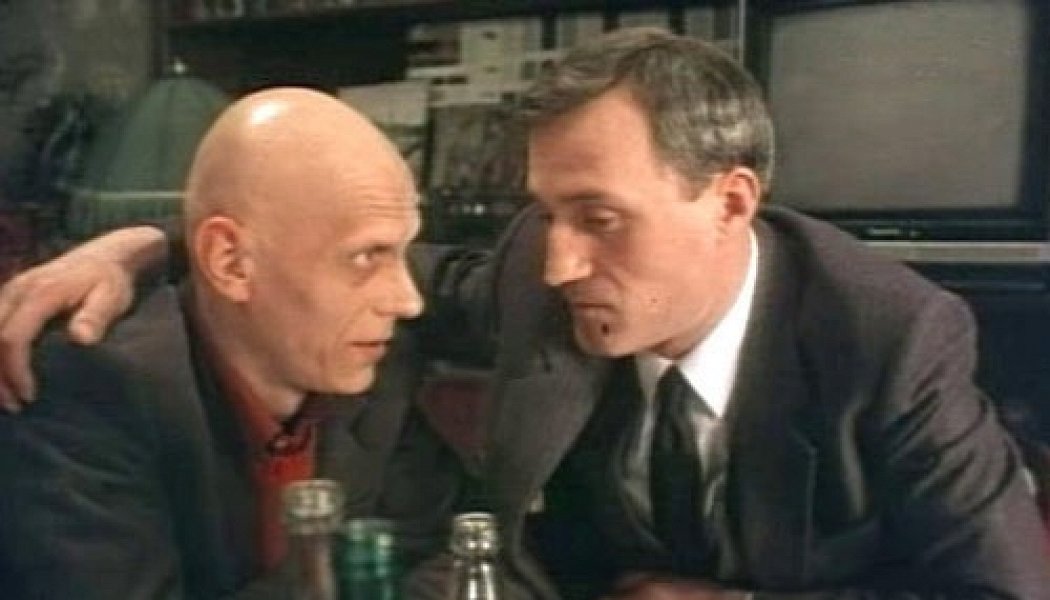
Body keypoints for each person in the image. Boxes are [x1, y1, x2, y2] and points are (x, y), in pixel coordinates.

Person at [2, 28, 1049, 599]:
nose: (558, 261)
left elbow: (999, 591)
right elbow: (316, 260)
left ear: (730, 202)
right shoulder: (532, 279)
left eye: (599, 217)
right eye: (545, 212)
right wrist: (142, 245)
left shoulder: (891, 336)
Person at [0, 87, 463, 598]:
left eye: (402, 252)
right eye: (365, 257)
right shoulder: (90, 390)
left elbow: (448, 557)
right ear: (230, 263)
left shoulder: (380, 362)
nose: (406, 300)